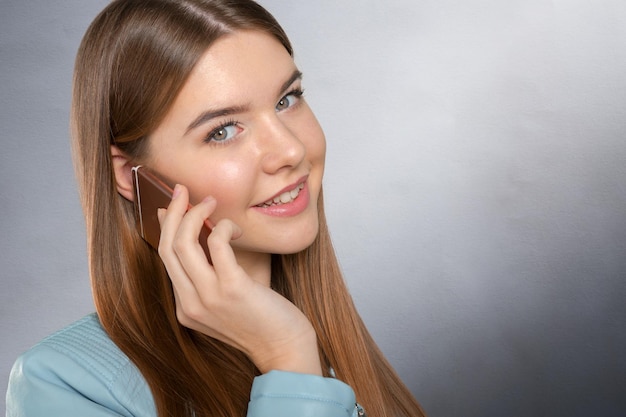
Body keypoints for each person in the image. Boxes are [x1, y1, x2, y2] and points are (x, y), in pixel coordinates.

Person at [6, 1, 427, 416]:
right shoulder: (66, 385)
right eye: (223, 130)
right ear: (127, 175)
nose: (290, 150)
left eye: (287, 100)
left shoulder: (341, 348)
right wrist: (287, 358)